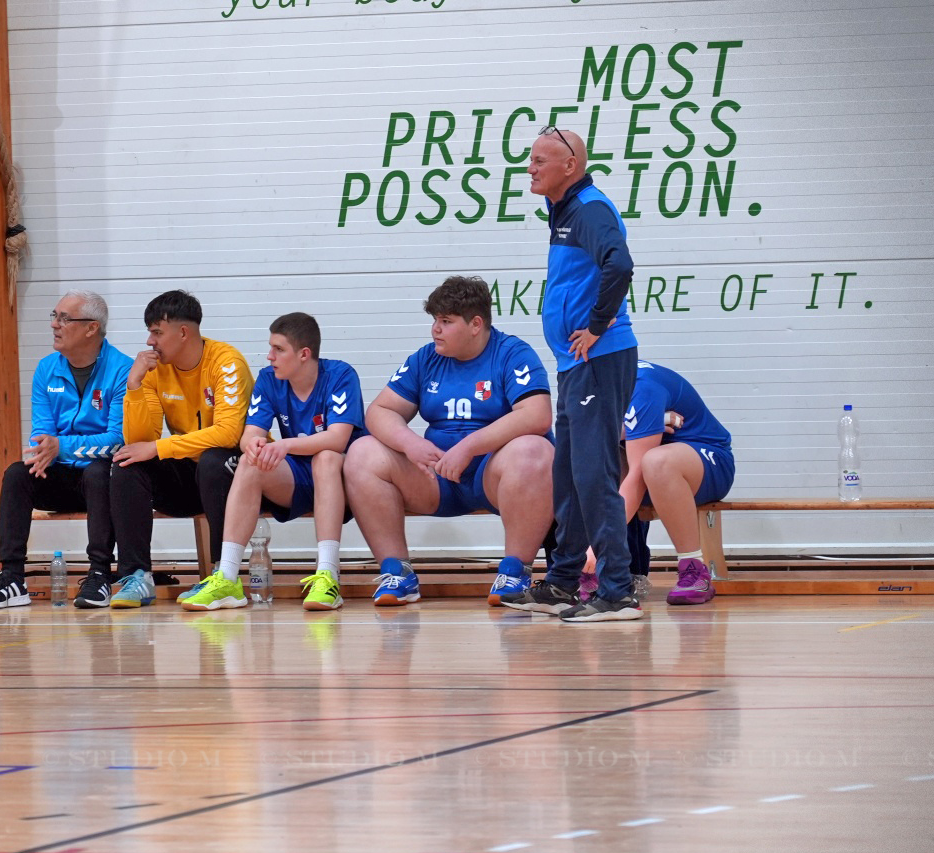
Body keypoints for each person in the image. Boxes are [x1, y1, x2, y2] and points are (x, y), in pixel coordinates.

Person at [344, 276, 554, 606]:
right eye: (435, 320)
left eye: (445, 321)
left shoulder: (512, 354)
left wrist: (469, 447)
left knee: (534, 449)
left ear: (476, 324)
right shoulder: (426, 358)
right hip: (436, 477)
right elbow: (380, 411)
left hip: (491, 476)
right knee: (361, 452)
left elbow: (538, 415)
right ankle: (398, 574)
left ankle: (515, 573)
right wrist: (409, 442)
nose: (435, 330)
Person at [506, 125, 643, 622]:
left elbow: (619, 265)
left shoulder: (588, 209)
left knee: (593, 474)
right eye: (530, 160)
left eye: (539, 161)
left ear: (571, 166)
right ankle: (563, 583)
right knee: (568, 475)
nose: (530, 169)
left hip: (598, 361)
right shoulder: (564, 210)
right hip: (575, 365)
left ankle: (617, 592)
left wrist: (597, 326)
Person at [181, 311, 366, 612]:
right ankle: (227, 578)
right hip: (297, 477)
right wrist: (253, 445)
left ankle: (328, 576)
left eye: (278, 349)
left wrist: (284, 444)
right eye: (270, 348)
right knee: (249, 462)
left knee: (326, 457)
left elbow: (337, 439)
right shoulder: (269, 379)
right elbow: (250, 435)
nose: (270, 356)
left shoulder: (341, 375)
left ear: (304, 354)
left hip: (344, 482)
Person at [0, 291, 131, 610]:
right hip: (60, 477)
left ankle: (100, 574)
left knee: (100, 471)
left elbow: (116, 440)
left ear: (91, 328)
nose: (54, 325)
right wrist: (51, 447)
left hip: (101, 483)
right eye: (54, 316)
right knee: (17, 473)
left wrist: (62, 446)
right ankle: (12, 578)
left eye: (64, 318)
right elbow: (42, 438)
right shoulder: (46, 369)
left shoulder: (122, 370)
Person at [107, 290, 252, 608]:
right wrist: (134, 386)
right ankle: (137, 576)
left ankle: (223, 576)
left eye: (157, 332)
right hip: (190, 476)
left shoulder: (226, 362)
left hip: (236, 474)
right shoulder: (154, 370)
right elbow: (140, 440)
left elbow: (228, 434)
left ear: (183, 332)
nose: (150, 342)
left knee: (213, 461)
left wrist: (159, 447)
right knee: (127, 463)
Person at [578, 362, 735, 605]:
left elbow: (637, 474)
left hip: (707, 460)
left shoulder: (643, 386)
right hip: (650, 472)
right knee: (598, 456)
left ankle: (693, 569)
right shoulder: (584, 381)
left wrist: (598, 547)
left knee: (656, 461)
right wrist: (642, 426)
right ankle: (617, 573)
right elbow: (584, 436)